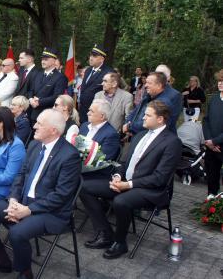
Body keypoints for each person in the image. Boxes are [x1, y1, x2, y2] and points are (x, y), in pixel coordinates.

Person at [0, 109, 81, 278]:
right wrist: (14, 200)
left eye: (39, 123)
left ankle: (25, 272)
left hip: (51, 212)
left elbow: (61, 195)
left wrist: (28, 210)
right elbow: (20, 176)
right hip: (23, 202)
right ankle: (2, 260)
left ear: (53, 130)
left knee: (17, 232)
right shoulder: (34, 145)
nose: (34, 126)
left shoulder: (70, 156)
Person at [80, 101, 181, 259]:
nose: (143, 118)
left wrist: (128, 185)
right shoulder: (140, 135)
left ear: (160, 119)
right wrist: (118, 176)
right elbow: (124, 163)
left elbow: (160, 178)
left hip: (151, 190)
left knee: (121, 201)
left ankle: (120, 243)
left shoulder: (172, 142)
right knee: (84, 187)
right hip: (126, 182)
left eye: (148, 115)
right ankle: (106, 233)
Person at [124, 72, 181, 136]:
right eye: (146, 82)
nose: (145, 85)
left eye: (149, 83)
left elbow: (150, 123)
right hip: (139, 136)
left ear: (159, 85)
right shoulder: (147, 97)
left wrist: (129, 127)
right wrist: (127, 123)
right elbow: (134, 112)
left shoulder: (163, 103)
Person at [29, 48, 67, 123]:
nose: (43, 61)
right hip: (33, 113)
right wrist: (30, 99)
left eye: (46, 59)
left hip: (47, 114)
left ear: (54, 61)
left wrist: (39, 102)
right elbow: (31, 90)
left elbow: (57, 96)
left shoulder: (60, 77)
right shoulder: (38, 74)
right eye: (42, 59)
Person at [79, 44, 114, 123]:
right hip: (83, 110)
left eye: (94, 56)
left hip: (97, 113)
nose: (91, 58)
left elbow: (111, 94)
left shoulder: (108, 72)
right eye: (90, 55)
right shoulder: (88, 70)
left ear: (102, 59)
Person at [202, 69, 223, 196]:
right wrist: (209, 141)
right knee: (211, 177)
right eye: (219, 81)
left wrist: (215, 141)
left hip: (220, 145)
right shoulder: (214, 99)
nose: (220, 83)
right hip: (211, 147)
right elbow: (206, 120)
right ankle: (211, 204)